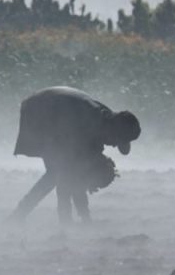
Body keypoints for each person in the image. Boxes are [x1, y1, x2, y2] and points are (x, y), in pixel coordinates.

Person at [9, 86, 140, 224]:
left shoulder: (104, 119)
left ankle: (24, 216)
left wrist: (85, 217)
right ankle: (21, 216)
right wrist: (85, 218)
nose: (114, 146)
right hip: (41, 110)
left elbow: (77, 176)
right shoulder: (87, 126)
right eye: (117, 141)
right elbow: (71, 175)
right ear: (114, 131)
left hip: (56, 110)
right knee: (57, 172)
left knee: (66, 171)